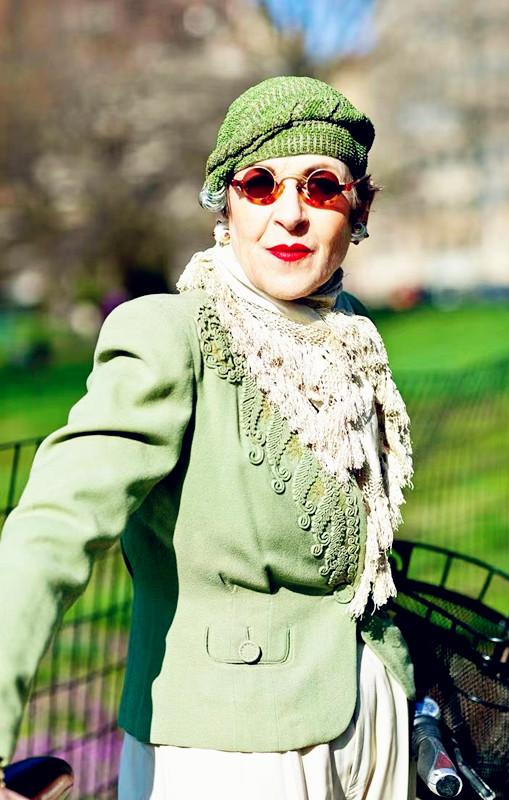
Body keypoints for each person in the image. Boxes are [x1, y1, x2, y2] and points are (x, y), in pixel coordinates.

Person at [0, 76, 415, 800]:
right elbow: (53, 528)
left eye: (321, 187)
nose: (290, 213)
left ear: (360, 208)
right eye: (260, 185)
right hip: (232, 752)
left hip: (373, 726)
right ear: (227, 204)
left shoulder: (351, 335)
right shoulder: (172, 335)